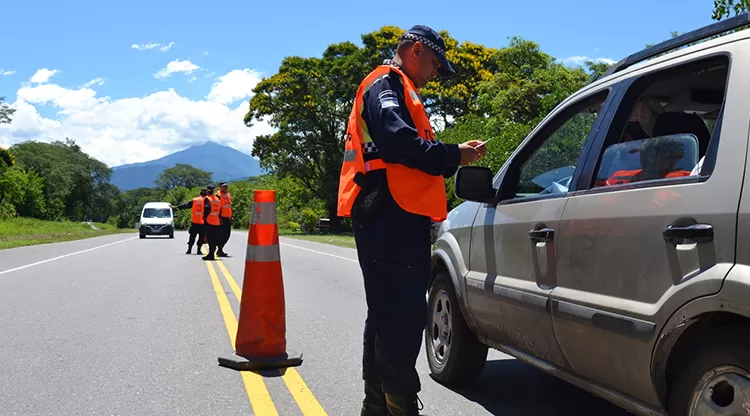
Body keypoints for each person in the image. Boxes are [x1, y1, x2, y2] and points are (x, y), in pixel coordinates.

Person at [337, 25, 486, 416]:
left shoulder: (399, 87)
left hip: (395, 215)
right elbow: (398, 142)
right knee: (401, 317)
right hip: (388, 215)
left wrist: (451, 153)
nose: (436, 73)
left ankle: (377, 405)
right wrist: (454, 155)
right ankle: (398, 406)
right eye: (435, 64)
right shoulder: (385, 84)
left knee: (387, 313)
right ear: (416, 50)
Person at [171, 188, 210, 255]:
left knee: (192, 237)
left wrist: (176, 206)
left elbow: (186, 205)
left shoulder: (195, 200)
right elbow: (209, 210)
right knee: (201, 237)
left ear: (200, 193)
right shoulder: (206, 201)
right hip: (202, 222)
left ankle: (189, 250)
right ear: (206, 194)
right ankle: (198, 250)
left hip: (194, 222)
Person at [202, 184, 222, 261]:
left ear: (207, 190)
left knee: (210, 239)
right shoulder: (217, 199)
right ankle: (211, 253)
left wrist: (204, 217)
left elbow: (207, 208)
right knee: (214, 238)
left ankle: (211, 254)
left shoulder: (207, 199)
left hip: (209, 221)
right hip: (216, 221)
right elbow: (220, 210)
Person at [216, 182, 234, 257]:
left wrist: (231, 216)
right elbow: (216, 207)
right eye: (224, 186)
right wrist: (218, 217)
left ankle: (220, 249)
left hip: (227, 217)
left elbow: (229, 206)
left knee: (227, 234)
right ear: (220, 187)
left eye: (226, 186)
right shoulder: (218, 195)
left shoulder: (228, 194)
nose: (226, 187)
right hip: (221, 217)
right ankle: (219, 249)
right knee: (221, 234)